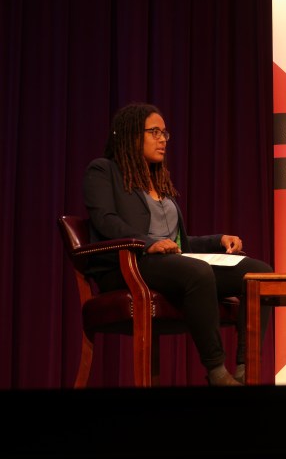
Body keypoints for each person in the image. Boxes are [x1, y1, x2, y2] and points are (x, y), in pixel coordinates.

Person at [83, 102, 273, 386]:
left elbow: (179, 243)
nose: (162, 139)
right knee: (197, 272)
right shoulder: (103, 170)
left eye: (165, 133)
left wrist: (217, 240)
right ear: (131, 135)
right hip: (131, 264)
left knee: (259, 274)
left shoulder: (157, 180)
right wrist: (148, 244)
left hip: (171, 263)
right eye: (154, 132)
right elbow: (105, 220)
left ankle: (247, 370)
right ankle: (217, 372)